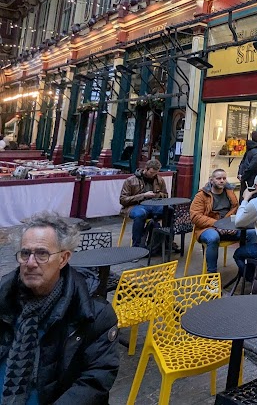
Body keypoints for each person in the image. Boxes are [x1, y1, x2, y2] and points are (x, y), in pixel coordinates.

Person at [0, 212, 119, 404]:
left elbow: (95, 380)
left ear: (63, 259)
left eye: (42, 254)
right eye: (25, 253)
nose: (30, 263)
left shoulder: (93, 314)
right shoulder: (4, 298)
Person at [190, 168, 241, 273]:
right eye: (218, 178)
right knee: (213, 238)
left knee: (251, 233)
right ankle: (211, 277)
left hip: (227, 227)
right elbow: (195, 216)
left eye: (224, 178)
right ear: (211, 180)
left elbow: (236, 209)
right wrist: (217, 225)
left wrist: (232, 226)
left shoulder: (230, 193)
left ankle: (246, 272)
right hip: (208, 228)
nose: (222, 181)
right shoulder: (202, 195)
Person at [119, 158, 169, 248]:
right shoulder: (130, 180)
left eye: (156, 173)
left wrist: (158, 195)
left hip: (153, 205)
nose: (153, 175)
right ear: (145, 169)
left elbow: (165, 195)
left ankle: (166, 242)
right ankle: (137, 246)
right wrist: (143, 195)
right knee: (140, 214)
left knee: (169, 210)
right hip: (135, 206)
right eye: (151, 173)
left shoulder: (159, 180)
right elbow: (123, 200)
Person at [237, 130, 257, 201]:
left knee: (244, 201)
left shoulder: (250, 150)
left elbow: (242, 163)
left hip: (246, 181)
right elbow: (252, 167)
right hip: (252, 182)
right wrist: (244, 176)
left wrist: (240, 174)